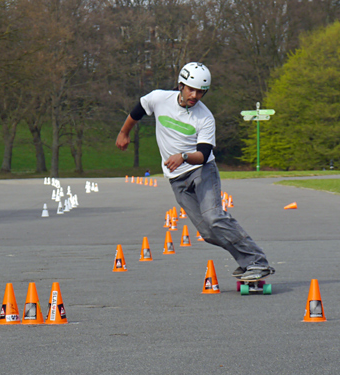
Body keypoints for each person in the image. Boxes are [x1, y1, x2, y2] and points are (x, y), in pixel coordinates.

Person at [115, 62, 274, 281]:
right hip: (176, 179)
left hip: (202, 170)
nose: (195, 95)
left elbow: (204, 154)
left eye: (201, 92)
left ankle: (257, 262)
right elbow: (137, 111)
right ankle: (248, 263)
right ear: (180, 85)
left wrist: (183, 156)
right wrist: (124, 133)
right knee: (208, 233)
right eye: (191, 89)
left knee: (214, 217)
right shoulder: (159, 98)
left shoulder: (205, 117)